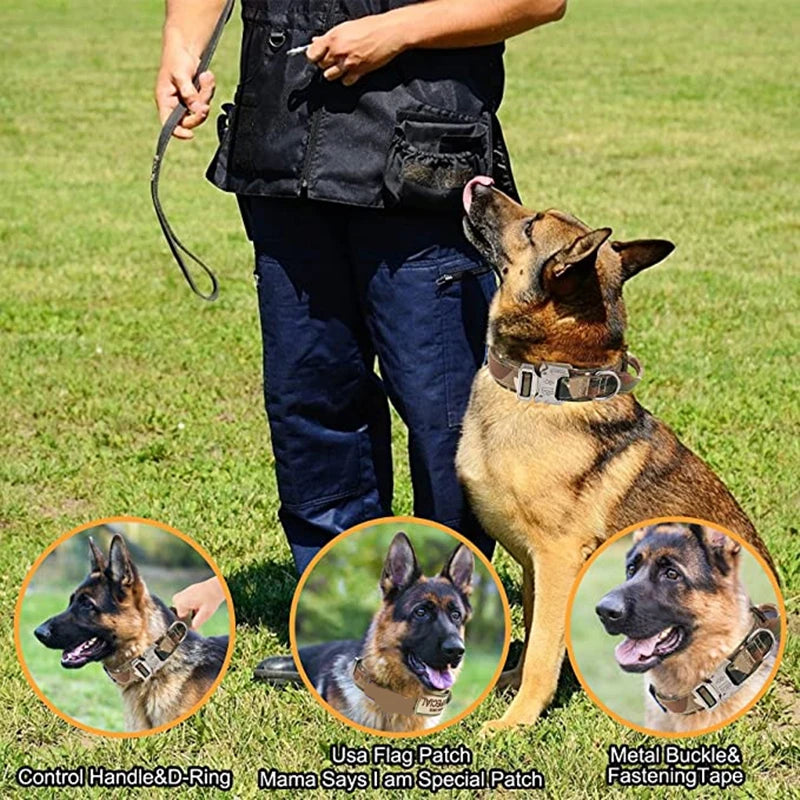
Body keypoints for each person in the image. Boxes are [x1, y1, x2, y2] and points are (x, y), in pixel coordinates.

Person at [155, 0, 568, 579]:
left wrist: (395, 32)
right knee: (310, 398)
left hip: (420, 167)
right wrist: (182, 44)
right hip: (283, 154)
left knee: (445, 415)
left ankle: (450, 597)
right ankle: (340, 597)